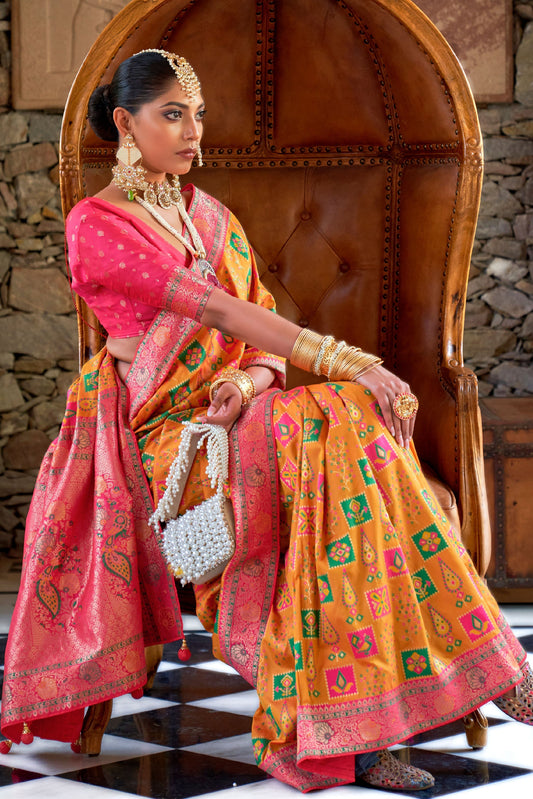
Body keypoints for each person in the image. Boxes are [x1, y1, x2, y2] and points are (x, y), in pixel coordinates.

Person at [1, 50, 531, 793]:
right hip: (166, 439)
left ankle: (364, 727)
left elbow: (259, 342)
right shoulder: (99, 223)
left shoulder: (211, 216)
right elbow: (214, 307)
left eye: (199, 114)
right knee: (343, 413)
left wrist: (246, 381)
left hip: (239, 415)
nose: (193, 131)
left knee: (340, 448)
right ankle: (464, 679)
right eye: (172, 114)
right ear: (126, 123)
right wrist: (350, 360)